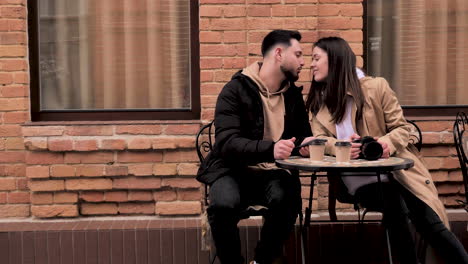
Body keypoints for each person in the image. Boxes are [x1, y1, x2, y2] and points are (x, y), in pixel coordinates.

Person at [300, 36, 468, 263]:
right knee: (393, 200)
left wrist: (384, 144)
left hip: (397, 174)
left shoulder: (376, 88)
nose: (311, 64)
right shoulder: (318, 104)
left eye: (316, 58)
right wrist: (342, 146)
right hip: (355, 182)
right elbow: (319, 139)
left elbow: (402, 128)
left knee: (424, 212)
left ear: (336, 60)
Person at [196, 30, 312, 264]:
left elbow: (301, 137)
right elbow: (227, 143)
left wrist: (304, 145)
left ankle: (262, 260)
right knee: (222, 205)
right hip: (231, 169)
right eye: (298, 54)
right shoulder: (235, 90)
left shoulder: (292, 95)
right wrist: (271, 149)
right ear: (279, 54)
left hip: (273, 172)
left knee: (288, 198)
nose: (303, 62)